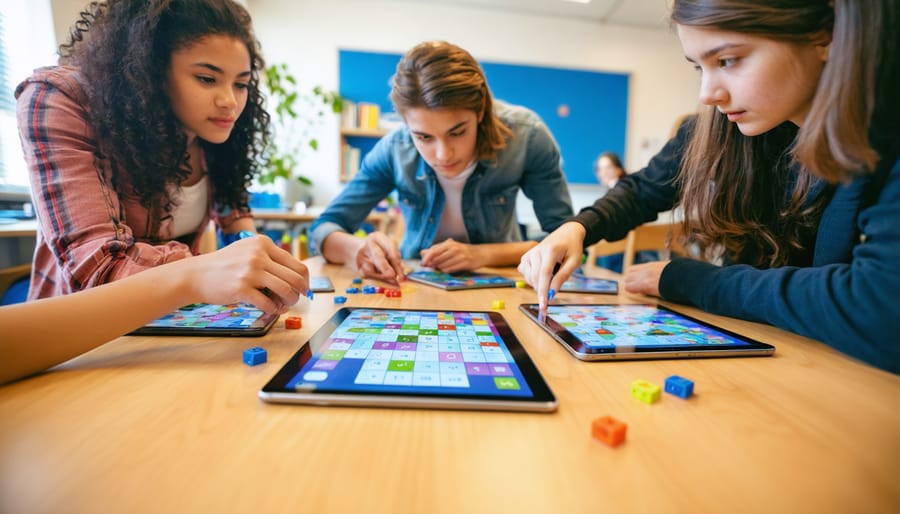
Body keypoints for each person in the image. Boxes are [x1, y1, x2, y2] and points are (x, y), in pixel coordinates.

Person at [519, 0, 900, 373]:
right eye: (699, 67)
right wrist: (577, 228)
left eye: (728, 61)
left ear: (824, 36)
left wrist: (692, 280)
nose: (707, 94)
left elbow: (879, 308)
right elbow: (642, 189)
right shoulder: (723, 129)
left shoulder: (883, 132)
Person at [15, 0, 271, 300]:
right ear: (151, 69)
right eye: (207, 78)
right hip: (80, 335)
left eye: (241, 84)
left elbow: (235, 215)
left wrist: (259, 256)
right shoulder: (61, 99)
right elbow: (100, 269)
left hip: (175, 321)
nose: (230, 101)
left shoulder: (210, 132)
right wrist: (209, 269)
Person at [310, 41, 573, 282]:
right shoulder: (394, 148)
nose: (443, 154)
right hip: (414, 284)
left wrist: (480, 255)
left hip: (501, 283)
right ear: (406, 123)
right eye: (423, 136)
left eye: (457, 132)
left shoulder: (527, 136)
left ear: (481, 108)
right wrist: (357, 249)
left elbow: (564, 240)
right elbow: (323, 229)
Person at [0, 235, 308, 385]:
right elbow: (100, 270)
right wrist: (193, 270)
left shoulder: (214, 144)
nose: (229, 103)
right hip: (78, 342)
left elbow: (238, 221)